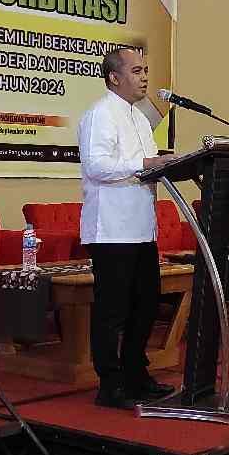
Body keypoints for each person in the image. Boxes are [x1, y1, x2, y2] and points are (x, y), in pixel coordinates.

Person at [78, 47, 174, 409]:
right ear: (114, 78)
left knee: (146, 304)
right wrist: (146, 162)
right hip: (112, 229)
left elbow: (145, 166)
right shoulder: (100, 114)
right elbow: (97, 166)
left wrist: (168, 165)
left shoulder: (140, 118)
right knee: (112, 310)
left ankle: (136, 374)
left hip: (141, 228)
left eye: (145, 70)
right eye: (136, 71)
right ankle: (110, 383)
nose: (145, 77)